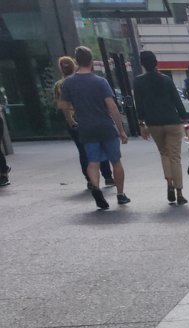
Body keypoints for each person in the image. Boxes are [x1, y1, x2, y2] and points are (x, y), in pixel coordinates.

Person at [57, 46, 130, 210]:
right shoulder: (100, 81)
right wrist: (121, 130)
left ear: (77, 62)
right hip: (105, 126)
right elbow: (112, 107)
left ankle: (96, 187)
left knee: (93, 161)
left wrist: (71, 120)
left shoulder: (69, 83)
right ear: (91, 61)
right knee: (115, 161)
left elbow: (63, 105)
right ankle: (120, 194)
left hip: (85, 127)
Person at [134, 50, 187, 205]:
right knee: (175, 157)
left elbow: (139, 105)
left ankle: (169, 183)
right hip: (172, 121)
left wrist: (141, 124)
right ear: (156, 62)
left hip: (153, 122)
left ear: (142, 64)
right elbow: (177, 101)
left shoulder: (138, 82)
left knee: (164, 153)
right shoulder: (166, 80)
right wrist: (183, 117)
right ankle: (179, 192)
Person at [53, 55, 113, 192]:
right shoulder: (82, 80)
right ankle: (108, 176)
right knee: (100, 146)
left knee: (83, 150)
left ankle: (90, 180)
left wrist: (70, 120)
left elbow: (61, 105)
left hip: (74, 120)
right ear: (74, 65)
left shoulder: (59, 85)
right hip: (90, 117)